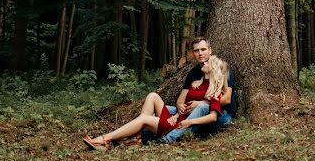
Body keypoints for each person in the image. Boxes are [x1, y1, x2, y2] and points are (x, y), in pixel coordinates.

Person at [83, 54, 229, 150]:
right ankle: (137, 137)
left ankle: (104, 139)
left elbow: (213, 116)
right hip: (176, 119)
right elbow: (184, 105)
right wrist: (177, 114)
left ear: (213, 69)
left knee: (145, 119)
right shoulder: (196, 81)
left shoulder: (212, 90)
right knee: (152, 95)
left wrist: (189, 123)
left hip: (177, 127)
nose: (204, 61)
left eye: (208, 62)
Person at [157, 37, 236, 144]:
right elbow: (181, 99)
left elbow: (226, 99)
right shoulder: (193, 73)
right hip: (192, 112)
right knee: (163, 109)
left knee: (202, 107)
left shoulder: (220, 69)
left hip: (221, 115)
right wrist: (180, 106)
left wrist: (201, 103)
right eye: (196, 50)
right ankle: (146, 136)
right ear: (193, 53)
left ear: (210, 50)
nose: (200, 53)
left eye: (203, 49)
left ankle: (169, 139)